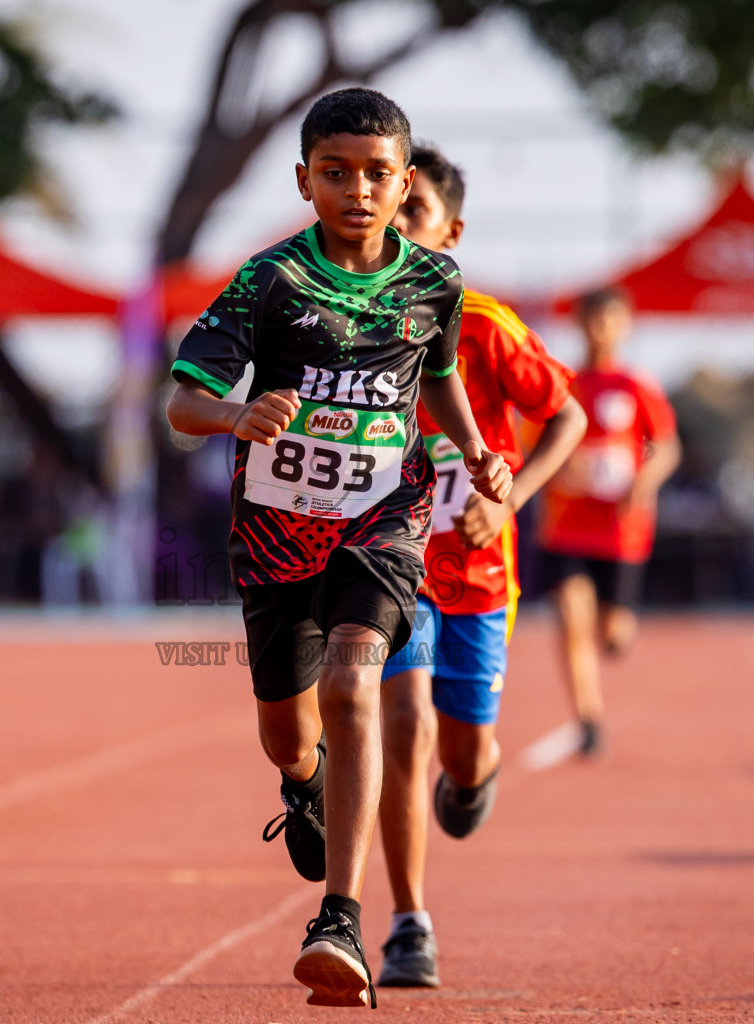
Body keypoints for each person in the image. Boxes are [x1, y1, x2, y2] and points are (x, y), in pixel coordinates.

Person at [165, 88, 512, 1009]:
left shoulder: (434, 284)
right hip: (278, 538)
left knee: (356, 683)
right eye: (336, 173)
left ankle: (343, 918)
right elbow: (182, 400)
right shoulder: (268, 280)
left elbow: (436, 376)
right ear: (305, 180)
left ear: (405, 184)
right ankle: (307, 785)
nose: (357, 190)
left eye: (376, 174)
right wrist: (240, 411)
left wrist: (473, 449)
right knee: (288, 733)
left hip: (383, 521)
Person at [375, 145, 586, 988]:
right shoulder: (347, 325)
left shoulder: (489, 328)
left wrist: (513, 496)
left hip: (478, 579)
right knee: (402, 726)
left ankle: (475, 774)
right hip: (387, 572)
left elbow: (565, 417)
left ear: (451, 231)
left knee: (459, 755)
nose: (393, 222)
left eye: (413, 209)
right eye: (388, 205)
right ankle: (408, 924)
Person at [536, 287, 680, 757]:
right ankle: (589, 718)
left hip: (621, 529)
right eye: (593, 320)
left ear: (625, 326)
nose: (601, 329)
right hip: (568, 527)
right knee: (572, 621)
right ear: (579, 325)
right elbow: (531, 444)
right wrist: (560, 467)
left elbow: (665, 447)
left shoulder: (636, 386)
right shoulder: (562, 385)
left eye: (611, 320)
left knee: (612, 634)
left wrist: (643, 482)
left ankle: (617, 625)